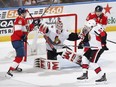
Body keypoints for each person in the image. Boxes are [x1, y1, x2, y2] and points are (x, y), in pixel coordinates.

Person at [6, 8, 40, 77]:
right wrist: (22, 36)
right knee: (20, 56)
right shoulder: (19, 19)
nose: (26, 13)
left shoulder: (23, 20)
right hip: (17, 40)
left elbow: (28, 30)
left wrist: (33, 24)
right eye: (25, 12)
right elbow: (17, 31)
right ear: (21, 13)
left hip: (18, 40)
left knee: (19, 55)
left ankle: (15, 67)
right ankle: (9, 71)